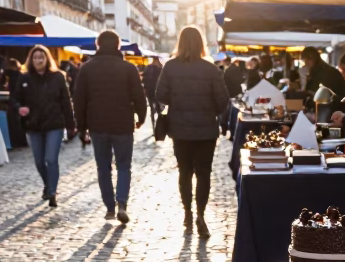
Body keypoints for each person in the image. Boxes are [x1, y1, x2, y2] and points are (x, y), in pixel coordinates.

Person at [156, 26, 229, 238]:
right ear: (201, 43)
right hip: (206, 130)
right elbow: (223, 101)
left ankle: (187, 212)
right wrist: (209, 111)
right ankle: (201, 214)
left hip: (180, 129)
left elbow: (160, 95)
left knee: (184, 172)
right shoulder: (211, 69)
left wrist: (177, 102)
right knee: (204, 173)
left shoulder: (170, 67)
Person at [74, 30, 147, 224]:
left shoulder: (87, 69)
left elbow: (79, 100)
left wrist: (81, 128)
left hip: (97, 125)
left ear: (98, 45)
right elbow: (139, 96)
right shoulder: (128, 68)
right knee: (124, 166)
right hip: (123, 123)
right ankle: (122, 202)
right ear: (118, 46)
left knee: (103, 167)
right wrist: (141, 117)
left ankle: (109, 207)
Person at [14, 45, 75, 208]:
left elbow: (66, 101)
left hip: (55, 124)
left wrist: (71, 125)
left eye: (41, 57)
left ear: (47, 59)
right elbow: (15, 99)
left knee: (51, 159)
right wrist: (20, 107)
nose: (38, 60)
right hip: (33, 125)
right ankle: (48, 185)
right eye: (35, 58)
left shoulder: (58, 77)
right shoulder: (24, 78)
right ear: (30, 60)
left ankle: (53, 192)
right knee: (39, 162)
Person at [141, 57, 164, 128]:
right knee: (159, 109)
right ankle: (158, 125)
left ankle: (153, 123)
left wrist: (145, 88)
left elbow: (144, 79)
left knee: (151, 106)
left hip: (149, 90)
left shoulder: (148, 67)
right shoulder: (161, 68)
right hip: (157, 90)